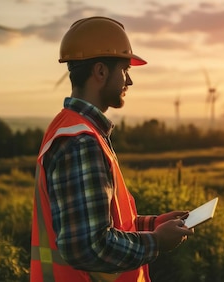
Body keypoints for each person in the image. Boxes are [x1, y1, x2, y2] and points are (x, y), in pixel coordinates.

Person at [30, 16, 194, 282]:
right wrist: (155, 243)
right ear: (101, 72)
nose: (129, 81)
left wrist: (154, 225)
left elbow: (107, 223)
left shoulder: (76, 129)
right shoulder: (81, 142)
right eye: (124, 70)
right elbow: (89, 246)